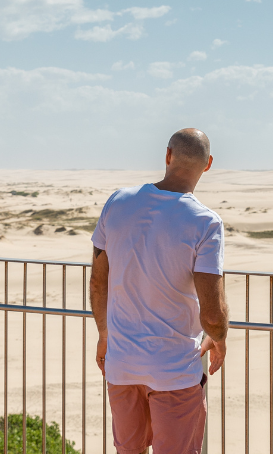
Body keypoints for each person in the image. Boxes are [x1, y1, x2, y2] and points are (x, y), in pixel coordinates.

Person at [90, 128, 230, 454]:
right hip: (175, 370)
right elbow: (212, 315)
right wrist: (219, 337)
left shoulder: (118, 202)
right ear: (208, 164)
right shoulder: (205, 222)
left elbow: (99, 281)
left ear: (167, 155)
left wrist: (104, 334)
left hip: (122, 364)